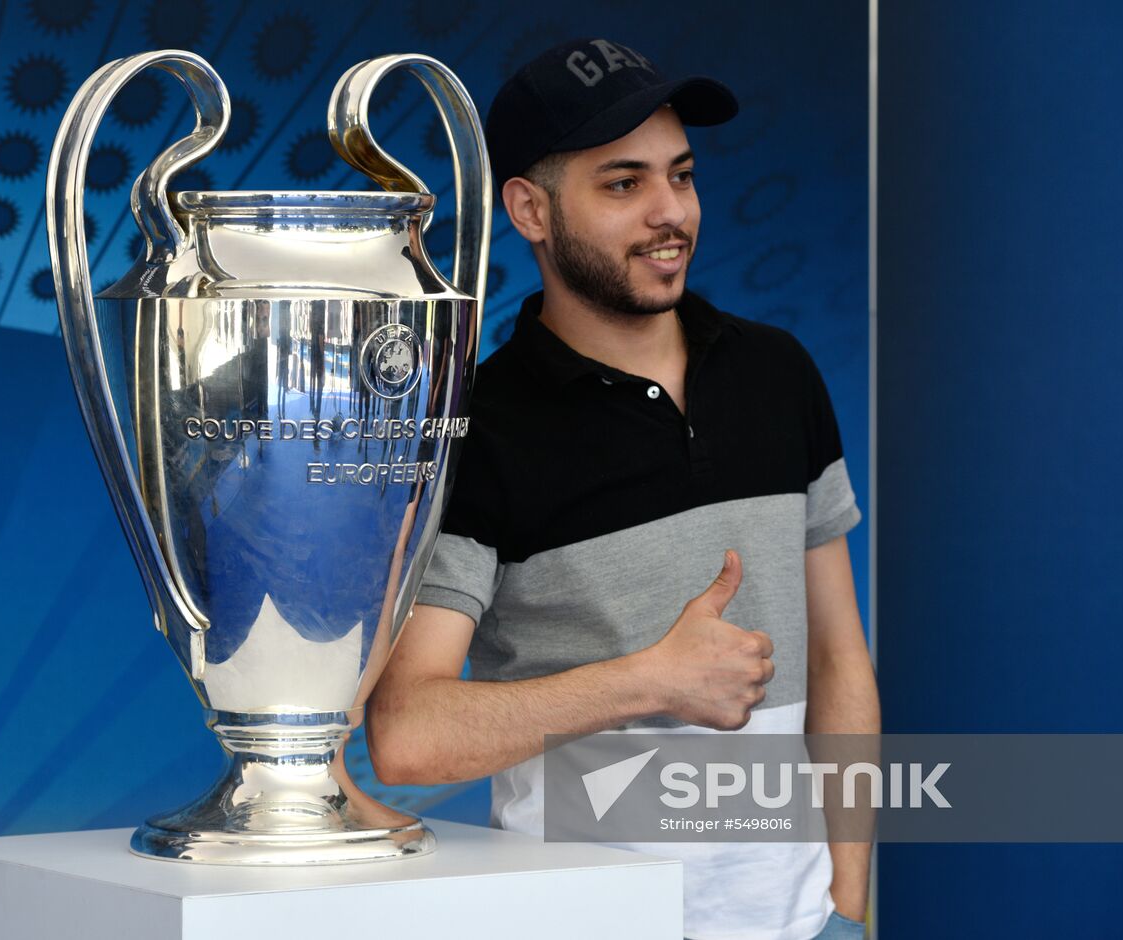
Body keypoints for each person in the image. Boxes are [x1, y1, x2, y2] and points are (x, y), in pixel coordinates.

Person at [367, 38, 880, 940]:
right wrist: (647, 681)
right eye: (622, 184)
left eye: (680, 176)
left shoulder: (778, 374)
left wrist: (845, 898)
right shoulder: (480, 431)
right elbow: (408, 733)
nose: (668, 212)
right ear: (529, 208)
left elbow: (840, 658)